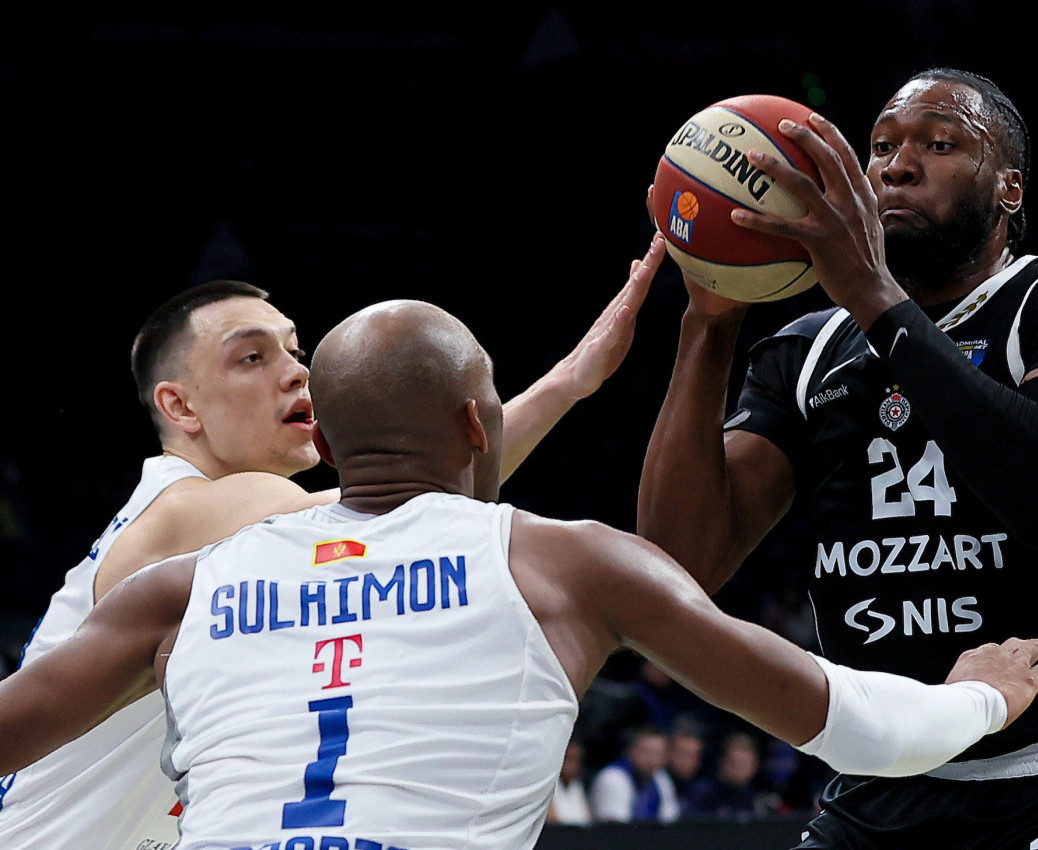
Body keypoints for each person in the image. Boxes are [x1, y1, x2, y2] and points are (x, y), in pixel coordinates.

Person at [0, 293, 1038, 850]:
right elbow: (862, 729)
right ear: (479, 424)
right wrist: (982, 693)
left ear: (330, 438)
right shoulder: (565, 561)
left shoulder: (185, 588)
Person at [638, 67, 1038, 849]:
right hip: (876, 792)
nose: (896, 165)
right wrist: (710, 321)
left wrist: (869, 292)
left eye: (939, 144)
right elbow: (675, 566)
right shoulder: (807, 351)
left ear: (1008, 189)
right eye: (882, 146)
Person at [0, 247, 659, 850]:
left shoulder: (221, 534)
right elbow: (409, 492)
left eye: (296, 351)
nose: (297, 373)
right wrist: (568, 381)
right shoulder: (186, 508)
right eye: (252, 358)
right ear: (180, 406)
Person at [588, 725, 680, 823]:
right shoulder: (612, 778)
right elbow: (616, 827)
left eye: (658, 753)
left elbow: (670, 821)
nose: (653, 759)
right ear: (630, 750)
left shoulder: (660, 778)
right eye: (647, 752)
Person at [682, 731, 776, 821]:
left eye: (744, 765)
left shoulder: (756, 800)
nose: (738, 770)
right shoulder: (702, 795)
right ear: (722, 762)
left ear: (754, 767)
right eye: (735, 763)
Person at [546, 736, 592, 826]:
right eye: (568, 759)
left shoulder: (576, 787)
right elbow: (552, 822)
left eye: (576, 760)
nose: (572, 765)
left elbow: (587, 820)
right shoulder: (548, 786)